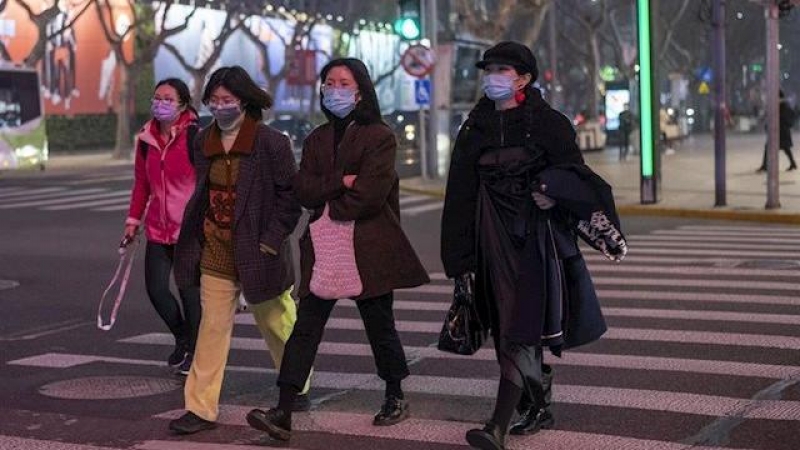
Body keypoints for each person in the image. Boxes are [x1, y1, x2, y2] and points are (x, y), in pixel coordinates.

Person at [441, 42, 622, 450]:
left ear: (523, 78)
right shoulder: (474, 127)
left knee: (518, 329)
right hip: (488, 243)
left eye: (501, 69)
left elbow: (576, 176)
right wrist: (459, 260)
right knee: (505, 327)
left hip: (535, 244)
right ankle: (538, 404)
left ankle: (497, 427)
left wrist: (553, 195)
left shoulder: (549, 124)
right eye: (488, 69)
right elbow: (459, 196)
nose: (492, 76)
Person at [244, 57, 430, 442]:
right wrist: (339, 183)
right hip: (325, 246)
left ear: (359, 90)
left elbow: (370, 195)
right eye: (329, 83)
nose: (335, 89)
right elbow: (303, 189)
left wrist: (331, 199)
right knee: (306, 327)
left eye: (343, 83)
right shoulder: (316, 139)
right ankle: (283, 407)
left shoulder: (380, 136)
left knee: (380, 326)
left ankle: (394, 395)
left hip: (368, 245)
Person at [170, 66, 310, 435]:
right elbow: (202, 192)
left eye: (226, 100)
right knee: (211, 327)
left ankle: (298, 381)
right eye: (214, 100)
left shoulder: (271, 143)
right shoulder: (202, 141)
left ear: (244, 101)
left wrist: (271, 239)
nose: (219, 107)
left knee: (276, 321)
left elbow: (290, 198)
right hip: (216, 246)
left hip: (259, 248)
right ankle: (200, 407)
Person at [124, 78, 200, 377]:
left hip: (189, 231)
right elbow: (141, 185)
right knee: (156, 290)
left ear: (182, 104)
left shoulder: (195, 136)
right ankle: (182, 337)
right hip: (158, 228)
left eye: (168, 99)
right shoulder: (146, 139)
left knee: (189, 294)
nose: (161, 104)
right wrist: (133, 221)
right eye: (157, 98)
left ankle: (195, 351)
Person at [757, 90, 797, 172]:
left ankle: (765, 166)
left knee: (782, 148)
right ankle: (792, 164)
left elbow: (785, 117)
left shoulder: (784, 105)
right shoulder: (778, 105)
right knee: (776, 148)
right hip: (778, 131)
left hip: (781, 131)